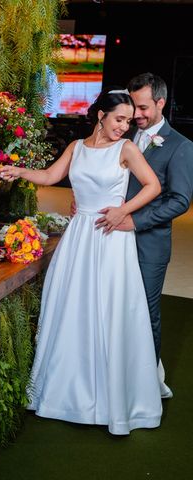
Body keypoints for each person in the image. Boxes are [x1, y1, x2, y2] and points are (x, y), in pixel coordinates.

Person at [0, 88, 162, 435]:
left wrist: (123, 210)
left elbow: (153, 186)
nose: (124, 127)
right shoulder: (76, 148)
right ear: (101, 115)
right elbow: (50, 177)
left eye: (129, 122)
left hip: (111, 239)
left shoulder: (127, 149)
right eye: (119, 119)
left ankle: (111, 398)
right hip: (79, 237)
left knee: (109, 311)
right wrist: (20, 172)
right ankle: (66, 392)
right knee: (73, 308)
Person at [97, 73, 193, 399]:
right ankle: (113, 372)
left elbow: (179, 200)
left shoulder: (181, 146)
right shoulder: (121, 136)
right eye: (132, 106)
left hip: (148, 244)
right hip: (111, 238)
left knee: (145, 313)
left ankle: (146, 387)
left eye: (142, 107)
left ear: (161, 103)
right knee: (113, 305)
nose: (135, 115)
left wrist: (135, 221)